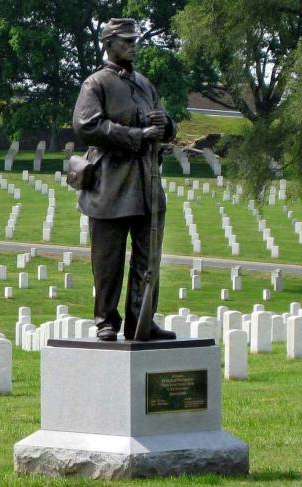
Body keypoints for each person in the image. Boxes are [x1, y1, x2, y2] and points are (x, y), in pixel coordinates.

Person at [72, 18, 177, 342]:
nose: (132, 45)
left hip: (146, 183)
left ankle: (141, 320)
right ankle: (106, 319)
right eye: (126, 41)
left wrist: (165, 124)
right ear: (109, 43)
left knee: (149, 259)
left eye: (134, 40)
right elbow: (86, 125)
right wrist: (135, 135)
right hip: (111, 184)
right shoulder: (96, 84)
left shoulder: (145, 85)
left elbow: (162, 128)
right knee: (108, 259)